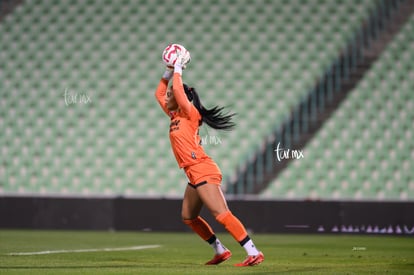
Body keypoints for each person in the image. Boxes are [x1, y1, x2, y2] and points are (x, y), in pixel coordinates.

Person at [154, 49, 264, 266]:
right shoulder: (175, 115)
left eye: (171, 96)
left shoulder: (189, 113)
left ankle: (253, 252)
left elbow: (176, 88)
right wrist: (167, 72)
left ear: (181, 98)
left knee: (221, 214)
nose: (166, 98)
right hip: (193, 172)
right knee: (188, 217)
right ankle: (220, 250)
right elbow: (159, 93)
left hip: (202, 169)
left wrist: (178, 68)